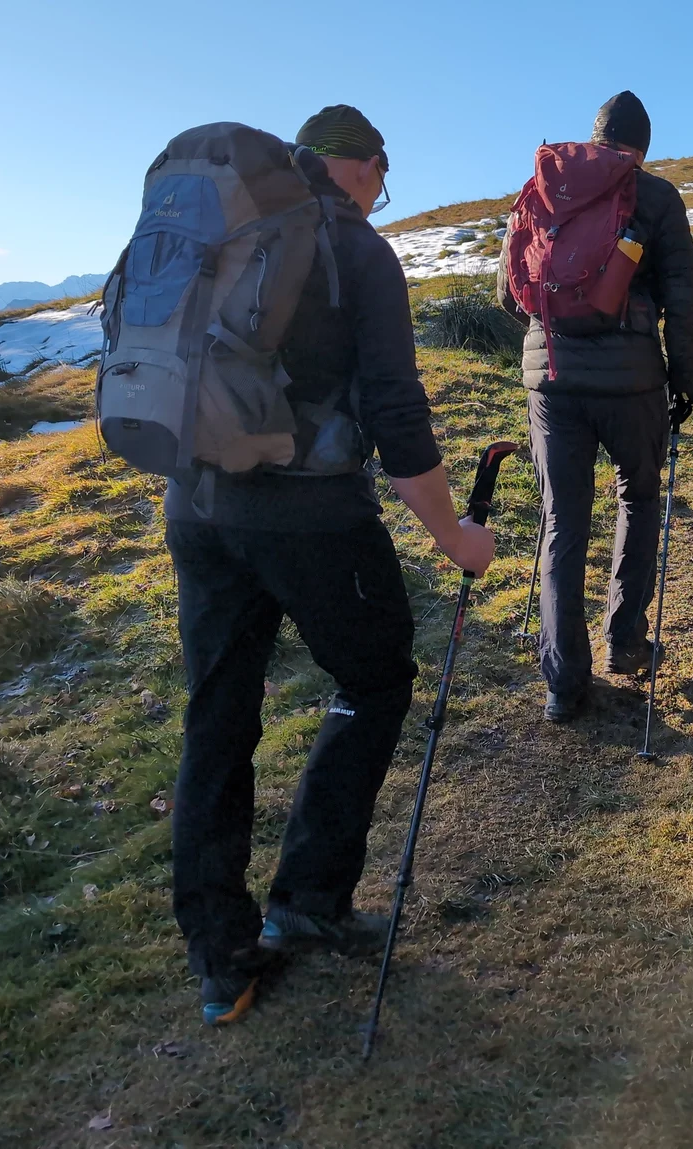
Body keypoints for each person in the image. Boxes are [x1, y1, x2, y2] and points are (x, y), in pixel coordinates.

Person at [163, 104, 495, 1028]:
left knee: (218, 714)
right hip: (308, 515)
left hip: (194, 504)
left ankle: (221, 961)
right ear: (363, 167)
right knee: (376, 676)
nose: (383, 197)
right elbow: (394, 411)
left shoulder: (225, 230)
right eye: (383, 179)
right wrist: (456, 538)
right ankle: (308, 896)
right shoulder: (355, 248)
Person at [497, 90, 693, 723]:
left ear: (594, 137)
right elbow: (684, 297)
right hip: (633, 382)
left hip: (552, 381)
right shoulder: (657, 197)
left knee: (562, 520)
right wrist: (685, 379)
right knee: (637, 498)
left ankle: (564, 683)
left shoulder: (541, 189)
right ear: (642, 146)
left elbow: (510, 294)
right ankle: (626, 640)